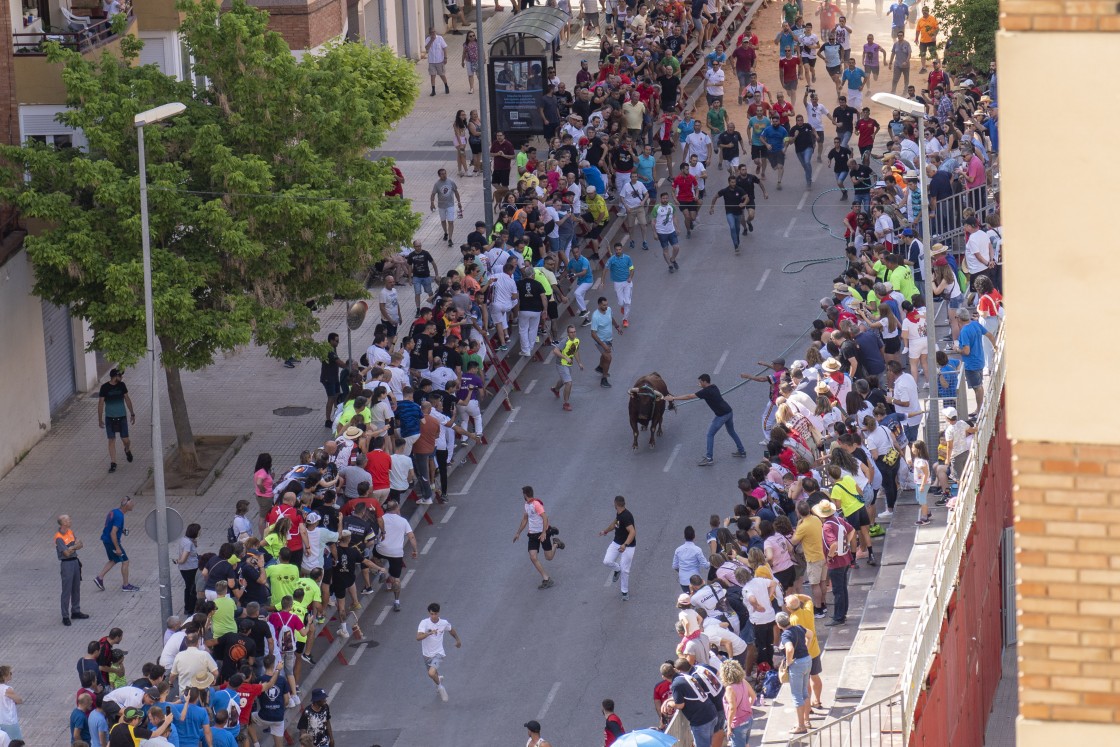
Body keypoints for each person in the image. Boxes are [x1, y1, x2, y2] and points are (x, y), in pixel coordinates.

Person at [665, 375, 747, 466]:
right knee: (731, 432)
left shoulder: (706, 392)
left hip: (722, 415)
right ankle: (742, 451)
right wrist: (702, 387)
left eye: (700, 382)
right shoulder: (714, 387)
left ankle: (709, 459)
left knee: (710, 434)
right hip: (729, 412)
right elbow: (704, 392)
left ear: (704, 382)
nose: (699, 383)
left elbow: (689, 396)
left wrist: (673, 398)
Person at [513, 486, 565, 589]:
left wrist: (544, 532)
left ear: (525, 495)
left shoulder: (536, 504)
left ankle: (556, 544)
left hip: (542, 533)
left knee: (549, 557)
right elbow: (525, 519)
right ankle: (546, 579)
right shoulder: (527, 505)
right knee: (533, 557)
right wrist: (518, 533)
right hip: (532, 534)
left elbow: (545, 517)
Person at [815, 500, 855, 625]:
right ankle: (842, 613)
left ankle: (839, 617)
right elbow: (852, 530)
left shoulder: (827, 526)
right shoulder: (838, 520)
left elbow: (833, 544)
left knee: (838, 590)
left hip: (836, 562)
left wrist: (830, 556)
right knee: (842, 588)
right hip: (845, 559)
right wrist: (846, 544)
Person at [374, 500, 418, 612]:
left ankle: (383, 571)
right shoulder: (403, 521)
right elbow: (411, 537)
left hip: (382, 549)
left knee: (374, 557)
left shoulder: (382, 518)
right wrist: (415, 550)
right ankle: (397, 602)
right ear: (397, 508)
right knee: (397, 580)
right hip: (396, 553)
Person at [664, 658, 719, 747]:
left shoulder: (676, 684)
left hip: (701, 721)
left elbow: (680, 705)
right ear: (674, 670)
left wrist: (669, 704)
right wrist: (670, 700)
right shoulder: (687, 676)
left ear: (663, 677)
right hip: (712, 714)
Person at [416, 602, 462, 702]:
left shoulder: (443, 623)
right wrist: (429, 633)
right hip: (427, 654)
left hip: (439, 653)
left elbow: (451, 630)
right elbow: (418, 637)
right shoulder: (424, 623)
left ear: (439, 613)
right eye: (432, 614)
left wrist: (458, 640)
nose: (434, 616)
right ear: (429, 613)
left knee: (431, 673)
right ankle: (439, 680)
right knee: (433, 674)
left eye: (435, 614)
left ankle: (441, 687)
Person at [776, 611, 814, 734]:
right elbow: (811, 634)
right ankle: (806, 720)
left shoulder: (785, 635)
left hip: (797, 664)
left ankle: (801, 726)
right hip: (807, 660)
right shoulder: (798, 627)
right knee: (804, 692)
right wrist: (806, 648)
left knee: (797, 695)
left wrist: (788, 662)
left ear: (778, 624)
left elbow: (790, 648)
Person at [95, 496, 138, 592]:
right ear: (126, 505)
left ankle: (100, 578)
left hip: (106, 539)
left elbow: (111, 526)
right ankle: (126, 585)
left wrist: (121, 531)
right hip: (112, 541)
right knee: (125, 561)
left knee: (113, 560)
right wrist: (117, 548)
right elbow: (113, 533)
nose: (133, 505)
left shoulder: (114, 511)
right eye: (131, 503)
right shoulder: (120, 516)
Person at [97, 368, 135, 474]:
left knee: (126, 440)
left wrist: (132, 413)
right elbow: (100, 404)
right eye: (120, 376)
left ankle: (127, 449)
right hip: (109, 418)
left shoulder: (122, 385)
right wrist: (100, 419)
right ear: (115, 377)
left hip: (122, 417)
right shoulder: (104, 387)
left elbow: (127, 399)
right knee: (111, 440)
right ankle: (113, 463)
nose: (122, 377)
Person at [599, 495, 636, 601]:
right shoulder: (619, 514)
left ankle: (624, 592)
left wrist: (625, 545)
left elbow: (632, 532)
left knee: (625, 570)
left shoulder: (626, 516)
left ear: (616, 504)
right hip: (616, 543)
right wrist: (605, 531)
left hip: (628, 546)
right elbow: (614, 524)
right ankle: (617, 569)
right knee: (607, 561)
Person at [55, 514, 89, 626]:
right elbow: (65, 553)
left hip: (75, 562)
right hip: (67, 564)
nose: (70, 520)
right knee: (66, 590)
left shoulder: (70, 532)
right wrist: (74, 547)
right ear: (63, 523)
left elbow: (81, 544)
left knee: (76, 587)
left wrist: (72, 548)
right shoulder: (59, 537)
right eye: (68, 519)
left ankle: (75, 611)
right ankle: (65, 616)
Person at [719, 660, 756, 747]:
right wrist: (747, 707)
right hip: (748, 718)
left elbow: (732, 708)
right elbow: (753, 696)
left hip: (738, 723)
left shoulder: (730, 688)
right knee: (746, 744)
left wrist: (728, 726)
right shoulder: (743, 681)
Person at [549, 325, 583, 412]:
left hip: (568, 364)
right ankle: (566, 403)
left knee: (564, 379)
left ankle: (555, 389)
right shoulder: (565, 341)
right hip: (561, 364)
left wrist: (579, 363)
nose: (573, 334)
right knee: (568, 383)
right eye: (571, 332)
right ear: (568, 333)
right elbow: (555, 351)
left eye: (574, 332)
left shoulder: (576, 341)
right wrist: (565, 358)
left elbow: (575, 351)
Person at [605, 242, 635, 327]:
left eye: (619, 249)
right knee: (622, 303)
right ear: (615, 250)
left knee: (628, 302)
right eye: (616, 250)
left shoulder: (627, 258)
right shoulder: (612, 259)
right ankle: (622, 307)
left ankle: (625, 319)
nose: (618, 251)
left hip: (627, 282)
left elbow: (632, 269)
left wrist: (630, 277)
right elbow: (605, 269)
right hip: (617, 283)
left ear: (622, 249)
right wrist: (602, 282)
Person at [430, 169, 462, 248]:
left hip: (450, 205)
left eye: (445, 173)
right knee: (443, 220)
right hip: (441, 206)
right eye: (442, 174)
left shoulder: (451, 181)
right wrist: (432, 203)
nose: (444, 175)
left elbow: (456, 191)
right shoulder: (437, 184)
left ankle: (450, 239)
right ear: (439, 175)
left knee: (450, 221)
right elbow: (433, 194)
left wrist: (459, 202)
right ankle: (445, 232)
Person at [424, 27, 449, 96]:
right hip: (432, 61)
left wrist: (445, 57)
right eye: (432, 32)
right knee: (432, 75)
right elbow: (426, 48)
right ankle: (433, 90)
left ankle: (446, 85)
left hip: (439, 60)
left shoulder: (440, 38)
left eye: (434, 32)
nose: (433, 33)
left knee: (442, 74)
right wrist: (431, 41)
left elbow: (445, 48)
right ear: (429, 33)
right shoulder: (428, 39)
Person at [0, 667, 22, 742]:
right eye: (10, 673)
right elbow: (19, 700)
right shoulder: (7, 689)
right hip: (9, 721)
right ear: (4, 676)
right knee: (16, 742)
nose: (11, 675)